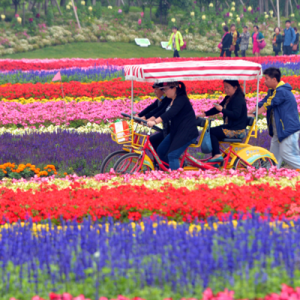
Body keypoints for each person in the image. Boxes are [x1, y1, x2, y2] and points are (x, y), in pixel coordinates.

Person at [249, 67, 300, 169]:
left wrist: (254, 114)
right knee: (273, 156)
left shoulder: (281, 91)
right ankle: (270, 174)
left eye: (266, 79)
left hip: (288, 129)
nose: (265, 82)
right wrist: (248, 113)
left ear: (274, 79)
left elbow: (269, 103)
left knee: (287, 154)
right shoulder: (273, 91)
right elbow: (263, 102)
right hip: (278, 130)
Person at [147, 82, 198, 170]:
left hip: (186, 132)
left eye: (166, 89)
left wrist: (155, 121)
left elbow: (170, 113)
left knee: (173, 155)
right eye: (163, 89)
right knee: (161, 150)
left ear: (174, 88)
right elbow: (161, 111)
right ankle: (167, 170)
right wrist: (147, 119)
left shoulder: (181, 99)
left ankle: (175, 179)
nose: (165, 92)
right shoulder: (172, 100)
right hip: (176, 131)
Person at [198, 80, 247, 163]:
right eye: (225, 87)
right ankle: (215, 159)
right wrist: (204, 114)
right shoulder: (228, 98)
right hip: (230, 126)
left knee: (212, 132)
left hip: (237, 130)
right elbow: (218, 108)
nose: (226, 89)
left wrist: (222, 110)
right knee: (211, 130)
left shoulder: (238, 99)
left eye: (228, 87)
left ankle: (217, 155)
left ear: (235, 87)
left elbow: (236, 115)